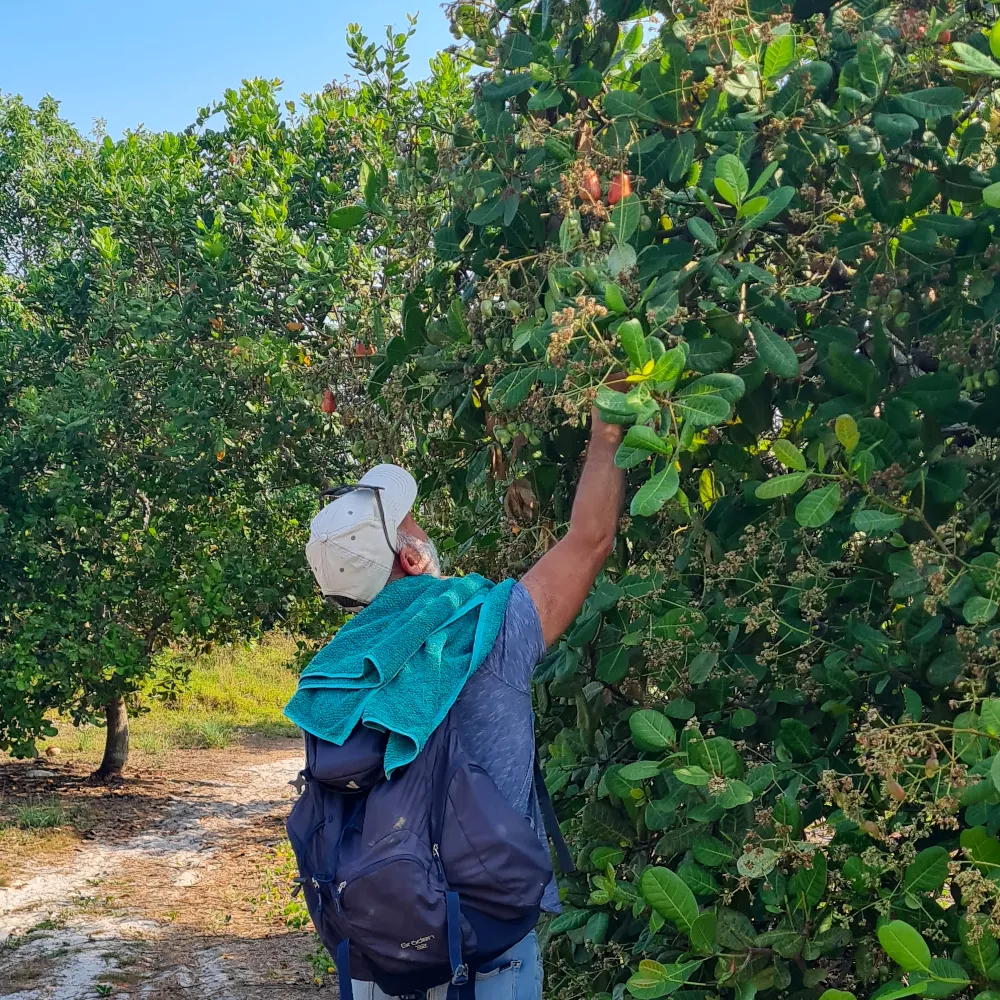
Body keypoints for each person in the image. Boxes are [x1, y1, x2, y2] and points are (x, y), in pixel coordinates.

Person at [300, 392, 625, 1000]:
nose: (423, 528)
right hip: (488, 942)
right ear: (412, 554)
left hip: (378, 947)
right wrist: (606, 432)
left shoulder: (329, 679)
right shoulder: (490, 629)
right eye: (414, 522)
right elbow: (590, 540)